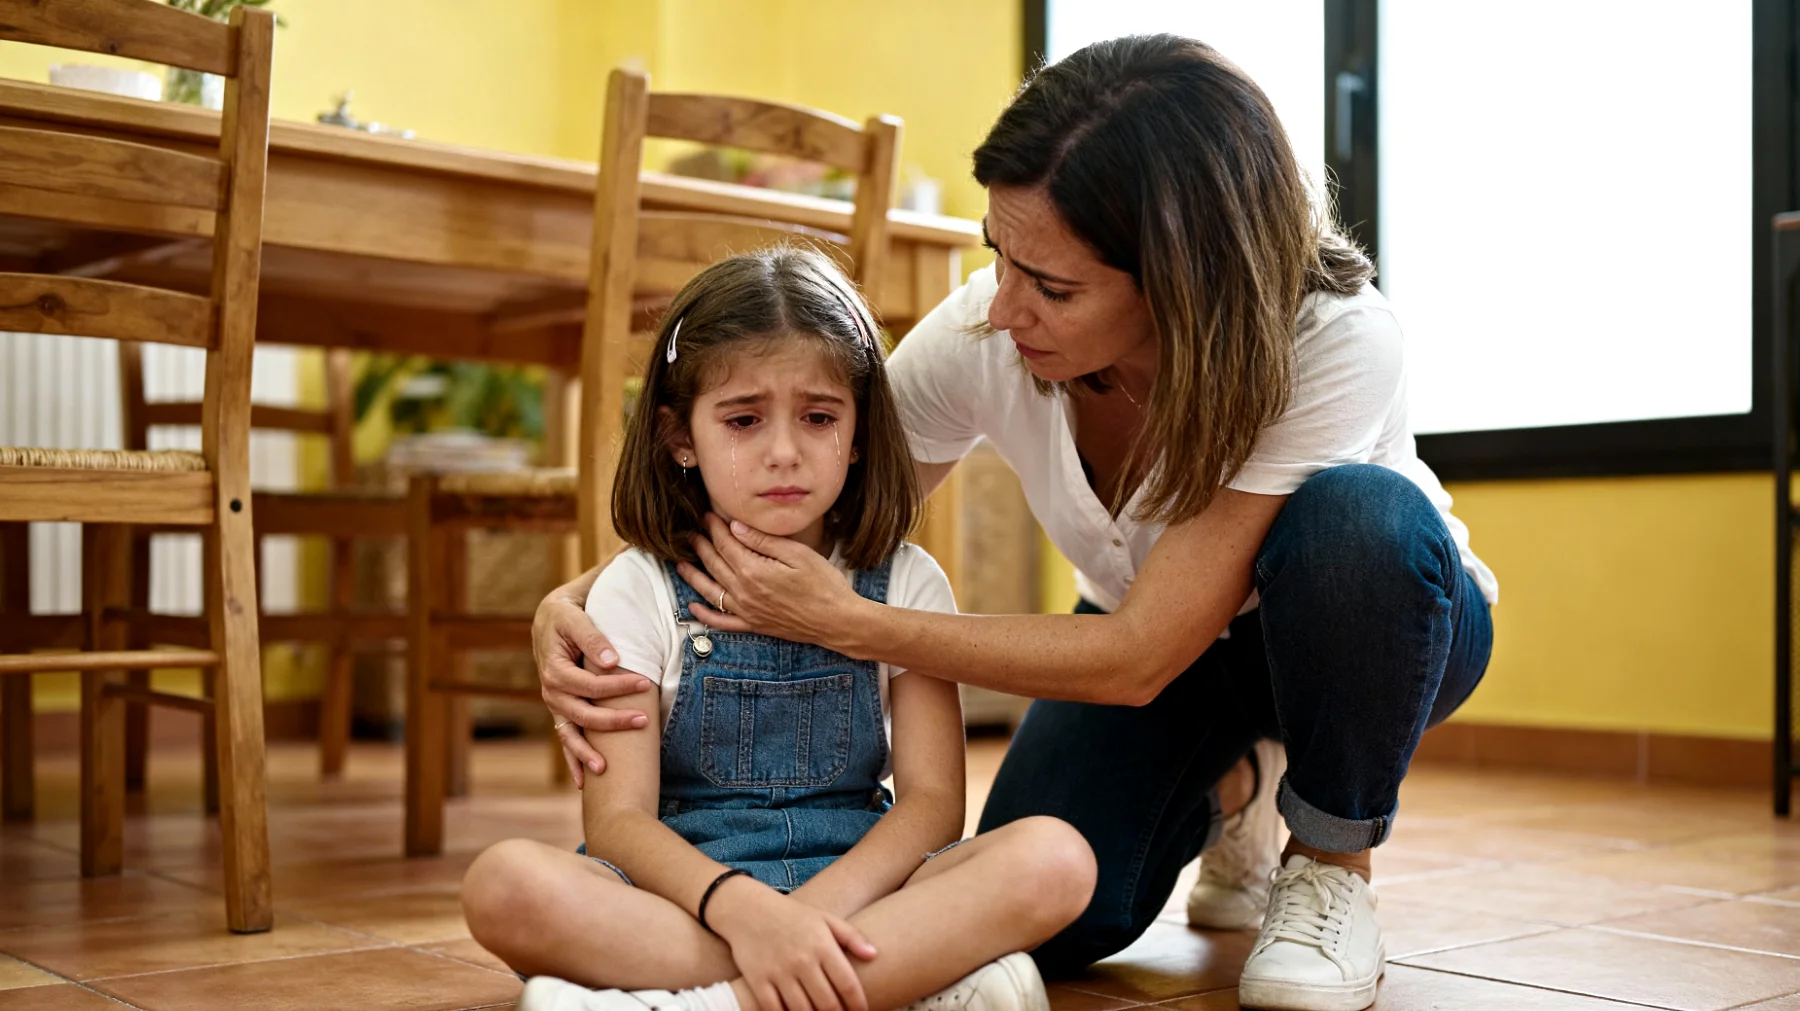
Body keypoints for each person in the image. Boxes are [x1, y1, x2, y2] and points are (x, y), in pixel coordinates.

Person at [529, 36, 1497, 1011]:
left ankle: (1330, 859)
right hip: (1162, 655)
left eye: (1053, 287)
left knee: (1358, 523)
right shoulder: (986, 334)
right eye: (999, 254)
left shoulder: (1332, 339)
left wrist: (854, 623)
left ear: (1183, 280)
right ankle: (1237, 787)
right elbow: (803, 497)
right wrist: (573, 603)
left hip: (1363, 636)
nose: (1003, 308)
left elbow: (1140, 656)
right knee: (1056, 922)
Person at [462, 248, 1097, 1011]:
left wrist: (807, 918)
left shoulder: (907, 581)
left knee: (1057, 859)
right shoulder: (635, 587)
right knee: (505, 884)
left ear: (859, 432)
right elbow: (619, 823)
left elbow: (932, 805)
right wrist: (748, 912)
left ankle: (713, 1003)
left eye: (820, 417)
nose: (785, 452)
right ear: (679, 436)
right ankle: (902, 982)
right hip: (688, 893)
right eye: (743, 419)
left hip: (863, 884)